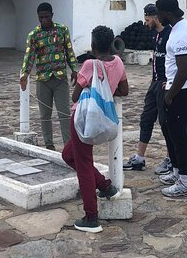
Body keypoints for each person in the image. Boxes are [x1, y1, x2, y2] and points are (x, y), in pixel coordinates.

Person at [63, 26, 128, 233]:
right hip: (105, 116)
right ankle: (105, 185)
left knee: (83, 164)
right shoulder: (118, 62)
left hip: (83, 118)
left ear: (92, 45)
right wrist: (107, 89)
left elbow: (74, 96)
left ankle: (91, 217)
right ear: (111, 44)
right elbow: (124, 90)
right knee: (68, 155)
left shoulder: (90, 64)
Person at [155, 0, 187, 199]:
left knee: (180, 136)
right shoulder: (183, 26)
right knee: (171, 132)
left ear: (167, 13)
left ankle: (185, 181)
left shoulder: (180, 33)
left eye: (159, 13)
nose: (157, 17)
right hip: (177, 86)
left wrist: (171, 94)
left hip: (182, 89)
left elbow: (183, 70)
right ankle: (176, 173)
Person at [20, 2, 78, 150]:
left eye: (46, 17)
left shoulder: (62, 30)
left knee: (64, 113)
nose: (44, 20)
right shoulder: (34, 35)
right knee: (45, 114)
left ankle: (68, 145)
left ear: (52, 15)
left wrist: (74, 70)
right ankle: (49, 144)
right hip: (43, 79)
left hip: (60, 78)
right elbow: (29, 56)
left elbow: (69, 51)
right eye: (41, 17)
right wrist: (25, 74)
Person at [122, 4, 172, 174]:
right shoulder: (154, 35)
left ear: (156, 17)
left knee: (167, 123)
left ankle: (171, 158)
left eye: (148, 19)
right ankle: (139, 158)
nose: (146, 23)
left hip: (165, 83)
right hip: (154, 82)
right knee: (146, 119)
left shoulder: (170, 34)